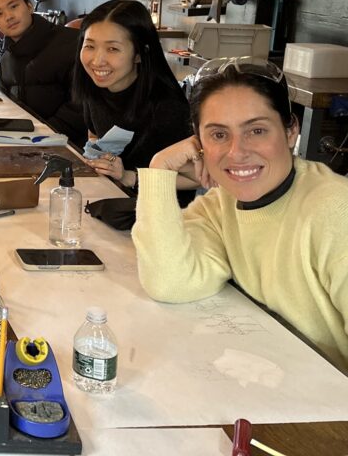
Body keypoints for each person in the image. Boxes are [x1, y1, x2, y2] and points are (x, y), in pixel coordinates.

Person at [132, 57, 348, 372]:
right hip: (282, 384)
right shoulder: (220, 207)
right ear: (198, 141)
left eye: (256, 130)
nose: (237, 151)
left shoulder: (334, 211)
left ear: (290, 131)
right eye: (219, 135)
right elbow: (169, 282)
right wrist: (160, 168)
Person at [73, 0, 194, 196]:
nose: (97, 60)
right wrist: (97, 155)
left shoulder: (167, 107)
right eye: (90, 46)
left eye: (112, 49)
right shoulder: (96, 87)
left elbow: (194, 179)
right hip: (112, 195)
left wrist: (127, 177)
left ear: (139, 53)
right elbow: (94, 133)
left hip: (158, 209)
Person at [0, 0, 84, 143]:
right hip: (25, 141)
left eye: (14, 6)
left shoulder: (69, 44)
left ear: (30, 7)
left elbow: (80, 107)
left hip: (66, 143)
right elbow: (8, 107)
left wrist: (42, 135)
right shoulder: (5, 60)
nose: (9, 17)